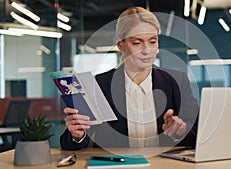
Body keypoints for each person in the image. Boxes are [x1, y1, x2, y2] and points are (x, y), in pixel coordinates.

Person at [60, 6, 199, 150]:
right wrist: (78, 135)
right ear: (120, 44)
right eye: (137, 43)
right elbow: (69, 144)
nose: (147, 50)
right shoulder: (99, 85)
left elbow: (198, 134)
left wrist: (181, 130)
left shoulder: (177, 81)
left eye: (152, 41)